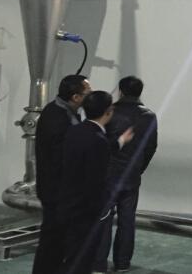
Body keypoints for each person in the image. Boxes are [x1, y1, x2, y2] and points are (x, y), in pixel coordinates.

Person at [58, 91, 134, 274]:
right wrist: (102, 209)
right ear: (109, 111)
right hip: (86, 210)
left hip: (68, 204)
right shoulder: (98, 140)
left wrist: (120, 142)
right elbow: (95, 180)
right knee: (84, 257)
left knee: (71, 254)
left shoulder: (75, 131)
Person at [93, 76, 158, 274]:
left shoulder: (109, 112)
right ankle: (122, 263)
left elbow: (99, 143)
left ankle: (99, 264)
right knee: (127, 220)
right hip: (131, 176)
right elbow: (151, 147)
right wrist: (139, 168)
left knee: (103, 220)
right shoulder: (149, 116)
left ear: (120, 91)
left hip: (107, 175)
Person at [32, 74, 91, 274]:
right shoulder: (56, 117)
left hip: (61, 191)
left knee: (60, 241)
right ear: (76, 97)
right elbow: (61, 158)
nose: (90, 97)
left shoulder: (66, 112)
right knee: (52, 241)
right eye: (88, 94)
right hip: (56, 192)